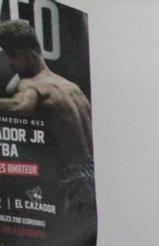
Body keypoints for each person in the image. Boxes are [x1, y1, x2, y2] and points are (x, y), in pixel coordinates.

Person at [0, 19, 94, 208]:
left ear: (32, 53)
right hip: (95, 170)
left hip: (74, 177)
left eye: (13, 55)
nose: (10, 63)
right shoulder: (72, 88)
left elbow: (21, 106)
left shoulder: (32, 83)